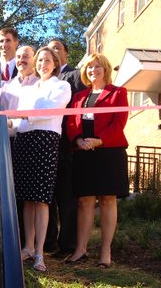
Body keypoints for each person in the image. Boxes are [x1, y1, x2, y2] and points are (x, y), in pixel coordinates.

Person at [64, 53, 129, 268]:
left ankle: (105, 250)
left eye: (97, 66)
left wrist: (99, 140)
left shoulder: (118, 93)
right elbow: (72, 123)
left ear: (106, 69)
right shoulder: (78, 97)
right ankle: (80, 250)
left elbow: (119, 122)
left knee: (108, 199)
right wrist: (79, 139)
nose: (93, 70)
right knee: (85, 201)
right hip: (84, 152)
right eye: (90, 67)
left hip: (109, 151)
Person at [9, 47, 71, 271]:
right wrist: (10, 123)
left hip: (45, 141)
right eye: (40, 60)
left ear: (55, 63)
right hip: (24, 140)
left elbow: (50, 111)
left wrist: (24, 115)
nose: (43, 63)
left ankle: (39, 252)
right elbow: (20, 118)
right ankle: (27, 246)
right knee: (26, 197)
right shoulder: (28, 88)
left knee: (41, 199)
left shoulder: (62, 86)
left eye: (47, 60)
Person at [44, 38, 87, 255]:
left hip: (66, 146)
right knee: (47, 197)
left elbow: (80, 107)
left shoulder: (75, 75)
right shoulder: (42, 79)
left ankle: (67, 244)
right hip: (45, 144)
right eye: (50, 49)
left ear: (66, 54)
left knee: (66, 197)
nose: (53, 51)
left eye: (57, 48)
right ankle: (48, 241)